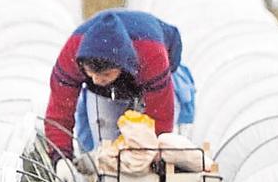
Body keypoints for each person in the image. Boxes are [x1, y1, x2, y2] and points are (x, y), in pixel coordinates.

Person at [44, 9, 195, 167]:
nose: (96, 80)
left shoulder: (151, 54)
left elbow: (161, 113)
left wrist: (153, 156)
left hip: (152, 69)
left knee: (153, 147)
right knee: (108, 149)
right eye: (91, 74)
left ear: (122, 65)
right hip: (112, 85)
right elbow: (59, 109)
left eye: (106, 75)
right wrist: (60, 157)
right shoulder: (72, 54)